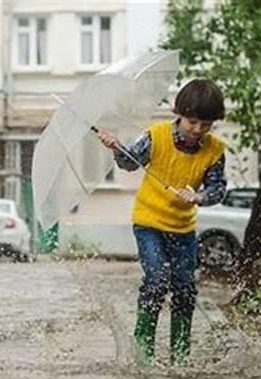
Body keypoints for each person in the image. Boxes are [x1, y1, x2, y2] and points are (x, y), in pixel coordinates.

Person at [97, 79, 227, 364]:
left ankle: (180, 356)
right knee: (157, 280)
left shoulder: (215, 150)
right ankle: (143, 354)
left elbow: (218, 189)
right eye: (193, 122)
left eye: (206, 125)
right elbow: (129, 162)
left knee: (184, 287)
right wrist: (116, 147)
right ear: (179, 114)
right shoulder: (156, 137)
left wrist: (199, 196)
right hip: (149, 223)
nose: (198, 130)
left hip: (183, 228)